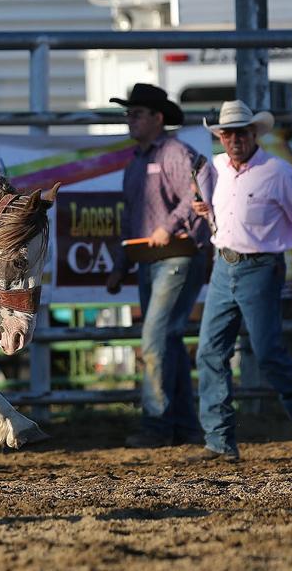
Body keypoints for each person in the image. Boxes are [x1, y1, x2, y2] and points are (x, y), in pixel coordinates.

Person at [192, 100, 292, 462]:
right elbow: (223, 210)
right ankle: (220, 440)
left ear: (254, 134)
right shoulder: (218, 168)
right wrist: (209, 212)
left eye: (241, 132)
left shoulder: (278, 172)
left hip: (260, 267)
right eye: (228, 133)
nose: (234, 139)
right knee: (211, 350)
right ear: (221, 137)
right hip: (225, 265)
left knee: (267, 352)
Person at [105, 84, 210, 449]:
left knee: (154, 339)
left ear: (157, 118)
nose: (130, 120)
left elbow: (198, 196)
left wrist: (170, 225)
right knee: (167, 340)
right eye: (129, 114)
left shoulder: (175, 153)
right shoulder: (137, 160)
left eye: (137, 114)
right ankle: (186, 426)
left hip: (177, 256)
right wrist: (121, 264)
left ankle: (157, 423)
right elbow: (130, 217)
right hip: (152, 260)